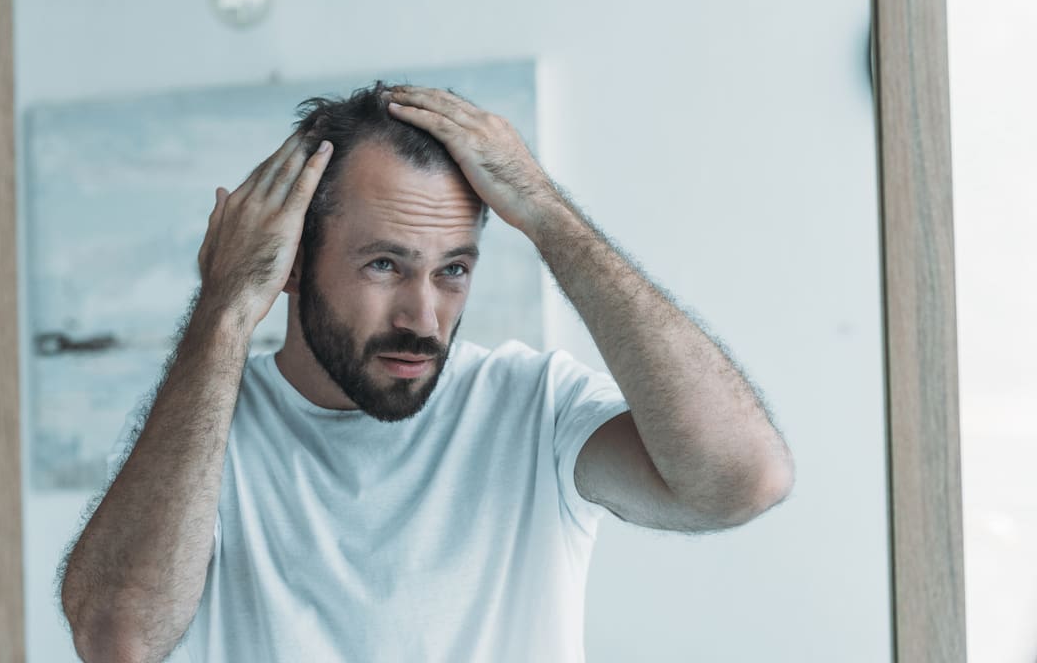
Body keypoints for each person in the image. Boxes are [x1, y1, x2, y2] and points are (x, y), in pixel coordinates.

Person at [58, 81, 795, 663]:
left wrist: (544, 212)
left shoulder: (530, 406)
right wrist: (221, 310)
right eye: (384, 264)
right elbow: (116, 639)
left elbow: (742, 481)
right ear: (289, 266)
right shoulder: (208, 426)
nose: (423, 315)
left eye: (453, 270)